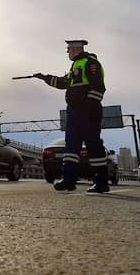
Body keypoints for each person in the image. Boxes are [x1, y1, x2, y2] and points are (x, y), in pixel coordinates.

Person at [32, 39, 109, 193]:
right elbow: (63, 82)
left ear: (75, 49)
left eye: (68, 49)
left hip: (87, 111)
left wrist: (89, 107)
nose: (67, 52)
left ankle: (101, 182)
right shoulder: (75, 65)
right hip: (74, 112)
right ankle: (68, 180)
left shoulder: (90, 63)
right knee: (71, 146)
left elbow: (99, 87)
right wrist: (45, 77)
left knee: (93, 145)